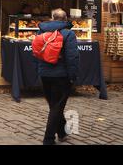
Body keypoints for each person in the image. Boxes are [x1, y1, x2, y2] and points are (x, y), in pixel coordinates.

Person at [37, 8, 79, 145]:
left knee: (54, 105)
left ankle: (61, 131)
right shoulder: (69, 34)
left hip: (44, 74)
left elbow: (36, 54)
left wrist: (39, 70)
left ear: (52, 17)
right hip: (61, 76)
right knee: (57, 106)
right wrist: (73, 76)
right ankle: (48, 139)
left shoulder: (41, 32)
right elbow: (72, 58)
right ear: (65, 19)